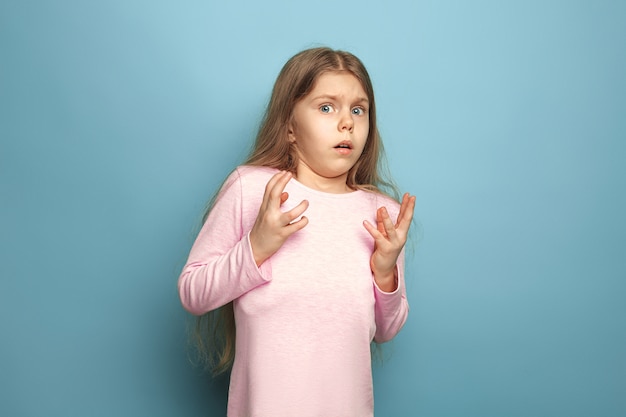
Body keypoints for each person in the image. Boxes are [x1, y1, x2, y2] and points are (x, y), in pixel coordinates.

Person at [178, 46, 416, 417]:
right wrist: (256, 246)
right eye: (326, 107)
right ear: (289, 126)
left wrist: (385, 272)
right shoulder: (251, 189)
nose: (347, 123)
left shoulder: (381, 214)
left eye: (358, 109)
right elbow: (193, 292)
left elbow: (386, 329)